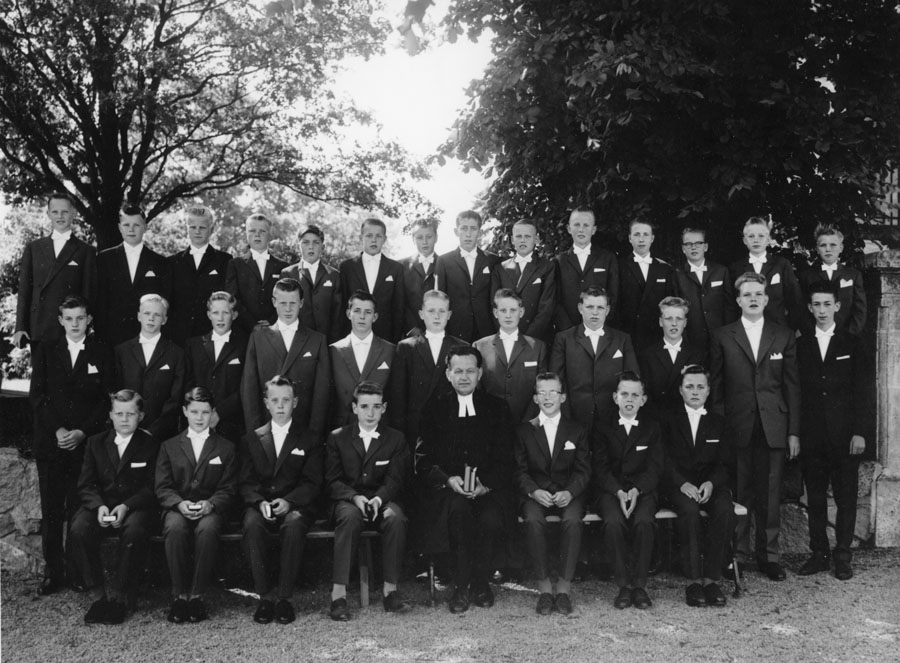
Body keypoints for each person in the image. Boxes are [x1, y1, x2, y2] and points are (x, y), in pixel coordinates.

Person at [709, 272, 800, 581]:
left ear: (766, 298)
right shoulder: (723, 336)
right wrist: (719, 429)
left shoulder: (783, 335)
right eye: (747, 294)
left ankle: (769, 557)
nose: (752, 299)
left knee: (770, 494)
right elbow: (716, 388)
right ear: (738, 300)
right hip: (737, 425)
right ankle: (737, 556)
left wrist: (793, 431)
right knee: (740, 492)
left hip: (773, 425)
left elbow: (792, 387)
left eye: (758, 294)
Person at [416, 346, 516, 614]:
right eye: (458, 371)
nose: (464, 377)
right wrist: (448, 480)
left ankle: (481, 582)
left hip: (488, 489)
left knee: (490, 518)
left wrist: (485, 485)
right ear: (448, 374)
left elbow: (507, 457)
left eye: (470, 371)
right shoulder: (434, 408)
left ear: (480, 373)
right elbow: (422, 459)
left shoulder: (497, 407)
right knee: (459, 513)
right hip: (448, 491)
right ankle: (461, 586)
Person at [29, 294, 115, 595]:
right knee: (52, 510)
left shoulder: (101, 351)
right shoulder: (46, 350)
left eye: (80, 318)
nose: (75, 324)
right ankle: (53, 572)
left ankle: (78, 571)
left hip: (85, 445)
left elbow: (106, 400)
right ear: (60, 320)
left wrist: (82, 432)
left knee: (79, 510)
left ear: (88, 319)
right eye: (69, 318)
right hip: (52, 443)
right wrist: (59, 429)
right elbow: (38, 396)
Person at [796, 282, 870, 580]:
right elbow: (797, 392)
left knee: (845, 498)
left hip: (845, 437)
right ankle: (819, 553)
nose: (822, 310)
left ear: (837, 306)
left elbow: (863, 391)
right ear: (810, 308)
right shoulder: (801, 345)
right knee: (814, 497)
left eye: (828, 304)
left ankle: (842, 555)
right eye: (817, 304)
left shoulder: (852, 342)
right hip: (812, 436)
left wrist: (860, 432)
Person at [239, 376, 323, 624]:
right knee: (252, 524)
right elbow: (245, 481)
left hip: (295, 505)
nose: (280, 405)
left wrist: (289, 501)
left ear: (295, 402)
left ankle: (285, 598)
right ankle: (265, 597)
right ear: (266, 403)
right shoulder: (252, 439)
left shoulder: (309, 438)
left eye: (286, 400)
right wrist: (259, 502)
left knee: (294, 524)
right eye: (274, 400)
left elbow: (312, 482)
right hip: (261, 504)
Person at [70, 390, 159, 624]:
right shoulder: (95, 442)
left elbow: (152, 487)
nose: (124, 419)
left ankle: (121, 596)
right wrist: (98, 506)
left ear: (141, 416)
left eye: (131, 414)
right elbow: (86, 484)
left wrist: (126, 506)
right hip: (100, 505)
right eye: (119, 414)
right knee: (79, 528)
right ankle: (98, 596)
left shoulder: (151, 444)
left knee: (135, 531)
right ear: (110, 415)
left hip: (134, 506)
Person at [325, 381, 412, 620]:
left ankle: (390, 591)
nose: (370, 413)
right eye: (364, 406)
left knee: (395, 518)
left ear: (384, 408)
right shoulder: (338, 438)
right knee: (349, 518)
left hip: (382, 498)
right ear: (355, 408)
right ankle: (338, 595)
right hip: (348, 500)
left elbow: (395, 480)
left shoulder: (395, 438)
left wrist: (378, 499)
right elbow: (332, 480)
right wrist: (354, 497)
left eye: (376, 406)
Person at [155, 387, 238, 623]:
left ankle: (197, 596)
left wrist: (210, 504)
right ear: (185, 412)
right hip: (178, 507)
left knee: (207, 529)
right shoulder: (169, 446)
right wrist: (178, 503)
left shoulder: (226, 447)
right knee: (174, 528)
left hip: (210, 508)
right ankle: (180, 596)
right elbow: (162, 486)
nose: (200, 418)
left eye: (205, 412)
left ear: (213, 413)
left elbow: (229, 487)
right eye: (194, 412)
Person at [514, 372, 590, 615]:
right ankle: (545, 588)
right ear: (535, 398)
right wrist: (534, 491)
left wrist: (570, 492)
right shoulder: (525, 431)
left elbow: (583, 470)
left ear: (563, 397)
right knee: (533, 521)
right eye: (542, 393)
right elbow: (519, 470)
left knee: (573, 521)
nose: (547, 397)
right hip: (536, 494)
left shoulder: (576, 430)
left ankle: (564, 589)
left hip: (568, 493)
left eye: (553, 392)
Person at [661, 365, 734, 607]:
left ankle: (711, 579)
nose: (695, 392)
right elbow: (663, 459)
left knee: (724, 509)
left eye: (700, 387)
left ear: (708, 391)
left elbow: (725, 462)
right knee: (689, 511)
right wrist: (682, 483)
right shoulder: (668, 420)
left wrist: (711, 483)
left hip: (710, 484)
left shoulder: (719, 422)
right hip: (680, 486)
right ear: (680, 390)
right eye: (689, 387)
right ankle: (693, 581)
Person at [592, 372, 663, 609]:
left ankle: (639, 585)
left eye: (635, 394)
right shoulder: (602, 426)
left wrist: (637, 490)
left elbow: (655, 467)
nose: (629, 399)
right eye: (624, 394)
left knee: (644, 522)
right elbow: (600, 467)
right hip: (611, 490)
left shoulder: (652, 427)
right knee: (613, 523)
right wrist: (618, 491)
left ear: (643, 399)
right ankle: (623, 584)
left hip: (642, 490)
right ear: (615, 397)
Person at [241, 277, 330, 435]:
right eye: (283, 303)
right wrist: (255, 434)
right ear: (274, 302)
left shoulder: (317, 340)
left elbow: (321, 394)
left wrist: (314, 435)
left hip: (303, 429)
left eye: (293, 303)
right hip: (266, 429)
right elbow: (249, 389)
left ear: (301, 303)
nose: (288, 309)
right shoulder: (258, 338)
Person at [14, 192, 97, 349]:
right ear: (48, 214)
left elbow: (88, 294)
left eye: (65, 212)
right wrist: (20, 327)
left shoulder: (86, 251)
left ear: (73, 213)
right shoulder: (33, 248)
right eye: (55, 212)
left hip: (72, 330)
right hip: (39, 327)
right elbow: (24, 291)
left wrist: (88, 329)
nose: (60, 216)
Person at [550, 286, 638, 429]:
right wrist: (565, 414)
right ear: (580, 308)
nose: (595, 312)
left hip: (612, 415)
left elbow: (633, 378)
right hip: (575, 414)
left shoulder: (622, 339)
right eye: (589, 307)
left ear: (607, 310)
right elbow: (556, 381)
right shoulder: (564, 339)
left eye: (600, 308)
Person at [389, 289, 467, 446]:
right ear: (421, 314)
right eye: (431, 311)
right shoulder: (406, 347)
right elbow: (398, 396)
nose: (437, 316)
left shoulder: (461, 347)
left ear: (449, 314)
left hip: (451, 426)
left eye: (442, 311)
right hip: (416, 428)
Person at [96, 204, 173, 347]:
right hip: (111, 335)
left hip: (146, 336)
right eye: (126, 225)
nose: (131, 229)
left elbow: (164, 300)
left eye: (136, 225)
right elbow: (99, 300)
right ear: (119, 227)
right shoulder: (103, 259)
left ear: (145, 227)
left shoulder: (160, 262)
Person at [114, 294, 186, 441]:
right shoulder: (122, 351)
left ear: (164, 319)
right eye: (147, 313)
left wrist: (154, 430)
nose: (151, 319)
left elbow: (176, 398)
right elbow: (116, 390)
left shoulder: (176, 353)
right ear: (139, 316)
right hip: (126, 431)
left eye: (157, 315)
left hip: (161, 433)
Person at [473, 289, 547, 423]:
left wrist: (528, 420)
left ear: (521, 312)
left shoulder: (537, 347)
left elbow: (541, 388)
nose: (508, 315)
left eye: (513, 310)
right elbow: (477, 388)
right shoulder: (480, 346)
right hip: (490, 421)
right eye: (503, 310)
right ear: (495, 313)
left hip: (526, 422)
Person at [184, 291, 248, 442]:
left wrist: (220, 412)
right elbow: (188, 383)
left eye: (225, 313)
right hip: (198, 421)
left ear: (234, 315)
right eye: (215, 313)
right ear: (208, 315)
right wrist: (202, 412)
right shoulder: (194, 345)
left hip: (230, 423)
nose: (220, 318)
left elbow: (245, 387)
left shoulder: (244, 345)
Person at [165, 205, 232, 345]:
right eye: (193, 227)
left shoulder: (224, 261)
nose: (197, 231)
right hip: (178, 337)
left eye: (202, 227)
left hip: (210, 336)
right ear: (187, 229)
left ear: (211, 229)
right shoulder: (172, 262)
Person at [328, 291, 395, 429]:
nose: (362, 317)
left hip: (379, 426)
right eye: (357, 311)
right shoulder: (334, 350)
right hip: (343, 426)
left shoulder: (390, 350)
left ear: (375, 317)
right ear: (348, 314)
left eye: (368, 312)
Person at [434, 210, 501, 342]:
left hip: (487, 329)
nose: (468, 234)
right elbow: (441, 298)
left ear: (480, 232)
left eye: (473, 229)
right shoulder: (444, 261)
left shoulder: (492, 260)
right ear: (456, 231)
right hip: (455, 329)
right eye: (464, 228)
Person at [637, 296, 707, 418]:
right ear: (660, 322)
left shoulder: (698, 355)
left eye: (679, 319)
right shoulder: (647, 355)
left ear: (685, 323)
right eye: (669, 319)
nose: (674, 323)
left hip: (687, 418)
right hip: (657, 419)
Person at [553, 206, 619, 335]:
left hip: (600, 331)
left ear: (593, 230)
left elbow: (613, 296)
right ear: (569, 228)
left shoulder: (607, 258)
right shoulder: (559, 261)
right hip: (568, 331)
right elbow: (555, 300)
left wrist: (600, 326)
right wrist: (568, 330)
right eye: (577, 224)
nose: (581, 229)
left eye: (586, 225)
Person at [729, 216, 802, 330]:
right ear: (744, 240)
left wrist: (789, 330)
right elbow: (732, 305)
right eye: (751, 236)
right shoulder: (736, 268)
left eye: (761, 236)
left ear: (768, 239)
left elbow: (795, 300)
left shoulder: (781, 264)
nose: (756, 240)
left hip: (777, 329)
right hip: (747, 330)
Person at [339, 218, 405, 343]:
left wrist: (394, 341)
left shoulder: (396, 268)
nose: (374, 240)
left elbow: (398, 308)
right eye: (369, 236)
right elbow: (342, 305)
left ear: (384, 239)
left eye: (378, 236)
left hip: (385, 336)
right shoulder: (347, 267)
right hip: (354, 336)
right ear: (361, 237)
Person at [490, 219, 557, 342]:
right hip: (507, 337)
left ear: (536, 239)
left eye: (527, 236)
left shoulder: (547, 267)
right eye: (518, 236)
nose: (523, 240)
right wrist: (507, 334)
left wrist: (528, 338)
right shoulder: (500, 269)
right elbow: (495, 304)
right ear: (512, 240)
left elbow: (546, 308)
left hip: (537, 338)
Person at [670, 226, 736, 350]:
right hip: (692, 338)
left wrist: (729, 333)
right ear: (683, 249)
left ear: (705, 247)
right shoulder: (677, 275)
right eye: (688, 244)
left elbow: (729, 306)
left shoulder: (721, 271)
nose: (693, 247)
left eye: (698, 243)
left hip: (720, 335)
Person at [224, 213, 289, 336]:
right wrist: (252, 324)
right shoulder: (235, 264)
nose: (257, 235)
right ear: (246, 234)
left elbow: (286, 298)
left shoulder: (282, 266)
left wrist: (272, 321)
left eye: (262, 231)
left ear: (269, 234)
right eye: (252, 231)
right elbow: (233, 297)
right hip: (244, 331)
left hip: (275, 330)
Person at [799, 225, 867, 337]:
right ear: (817, 249)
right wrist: (813, 334)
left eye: (833, 245)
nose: (828, 249)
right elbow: (802, 309)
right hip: (816, 336)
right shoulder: (807, 276)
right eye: (823, 245)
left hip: (846, 336)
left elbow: (860, 309)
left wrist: (850, 334)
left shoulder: (853, 275)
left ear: (841, 248)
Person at [616, 220, 674, 350]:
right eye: (637, 234)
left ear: (652, 238)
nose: (641, 239)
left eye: (645, 235)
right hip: (628, 334)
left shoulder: (664, 269)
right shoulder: (619, 266)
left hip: (656, 334)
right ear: (630, 238)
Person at [282, 224, 342, 343]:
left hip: (326, 341)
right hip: (297, 341)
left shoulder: (333, 275)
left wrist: (333, 344)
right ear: (298, 246)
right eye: (305, 242)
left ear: (323, 247)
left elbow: (338, 314)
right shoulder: (288, 274)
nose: (311, 247)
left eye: (316, 242)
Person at [401, 217, 440, 337]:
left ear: (436, 238)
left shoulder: (445, 265)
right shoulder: (401, 266)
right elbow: (400, 301)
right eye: (419, 237)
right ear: (413, 239)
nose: (424, 242)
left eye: (429, 237)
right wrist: (411, 327)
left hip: (439, 330)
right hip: (410, 333)